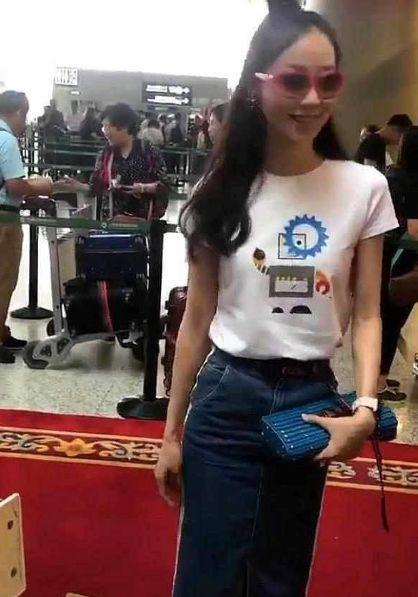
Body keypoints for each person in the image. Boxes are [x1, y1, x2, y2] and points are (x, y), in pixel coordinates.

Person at [154, 1, 398, 595]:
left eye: (328, 81)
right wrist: (171, 433)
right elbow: (197, 320)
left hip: (310, 400)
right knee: (208, 574)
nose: (312, 99)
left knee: (279, 576)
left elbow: (369, 311)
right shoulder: (219, 192)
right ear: (256, 84)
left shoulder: (364, 187)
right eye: (293, 81)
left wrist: (366, 408)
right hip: (226, 395)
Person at [0, 91, 53, 364]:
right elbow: (14, 186)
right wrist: (41, 186)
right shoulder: (7, 140)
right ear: (19, 111)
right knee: (3, 278)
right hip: (4, 219)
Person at [61, 103, 169, 219]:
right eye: (103, 127)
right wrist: (77, 186)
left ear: (124, 126)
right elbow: (95, 187)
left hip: (143, 222)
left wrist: (143, 188)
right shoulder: (106, 154)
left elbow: (164, 185)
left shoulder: (148, 151)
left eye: (107, 126)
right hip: (111, 221)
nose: (104, 131)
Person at [378, 126, 418, 400]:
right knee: (392, 322)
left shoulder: (390, 176)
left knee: (383, 319)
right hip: (404, 260)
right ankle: (378, 383)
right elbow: (415, 231)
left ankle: (377, 376)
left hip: (383, 254)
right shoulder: (415, 182)